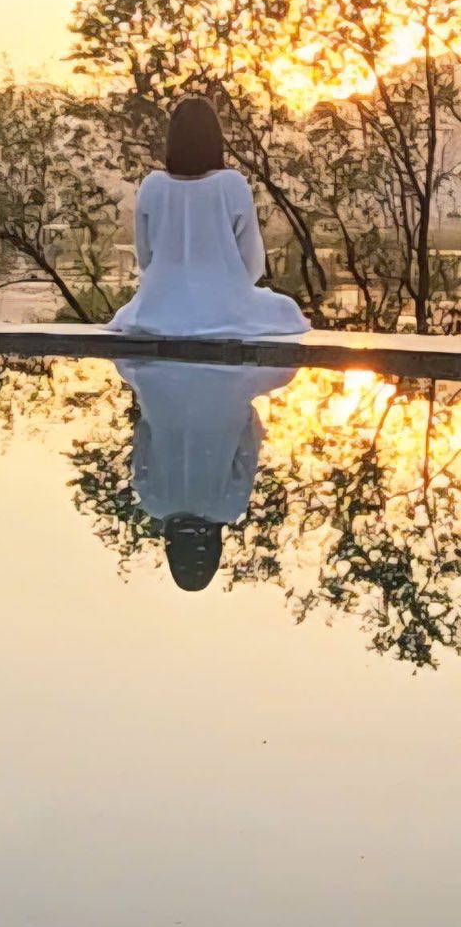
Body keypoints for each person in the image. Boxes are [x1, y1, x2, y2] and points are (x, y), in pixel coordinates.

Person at [108, 95, 310, 340]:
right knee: (286, 309)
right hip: (223, 305)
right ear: (215, 139)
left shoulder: (152, 186)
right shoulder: (232, 184)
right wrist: (227, 291)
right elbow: (252, 263)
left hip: (160, 307)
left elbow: (145, 259)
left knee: (131, 312)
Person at [118, 359, 293, 590]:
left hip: (229, 380)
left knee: (284, 372)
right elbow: (143, 434)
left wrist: (236, 413)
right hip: (158, 378)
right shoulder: (153, 502)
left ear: (214, 550)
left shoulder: (228, 507)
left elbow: (247, 445)